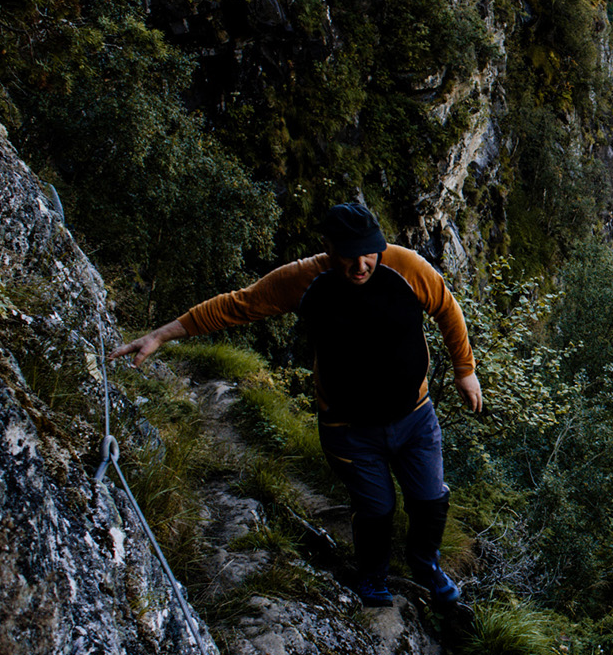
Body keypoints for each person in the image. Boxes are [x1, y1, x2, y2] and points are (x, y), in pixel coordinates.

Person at [110, 203, 483, 611]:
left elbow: (447, 308)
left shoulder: (406, 266)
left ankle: (425, 565)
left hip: (415, 414)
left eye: (369, 252)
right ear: (327, 247)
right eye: (348, 254)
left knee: (430, 499)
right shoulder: (304, 279)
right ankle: (373, 573)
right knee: (377, 509)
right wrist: (162, 336)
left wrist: (465, 370)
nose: (361, 264)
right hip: (349, 427)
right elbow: (239, 304)